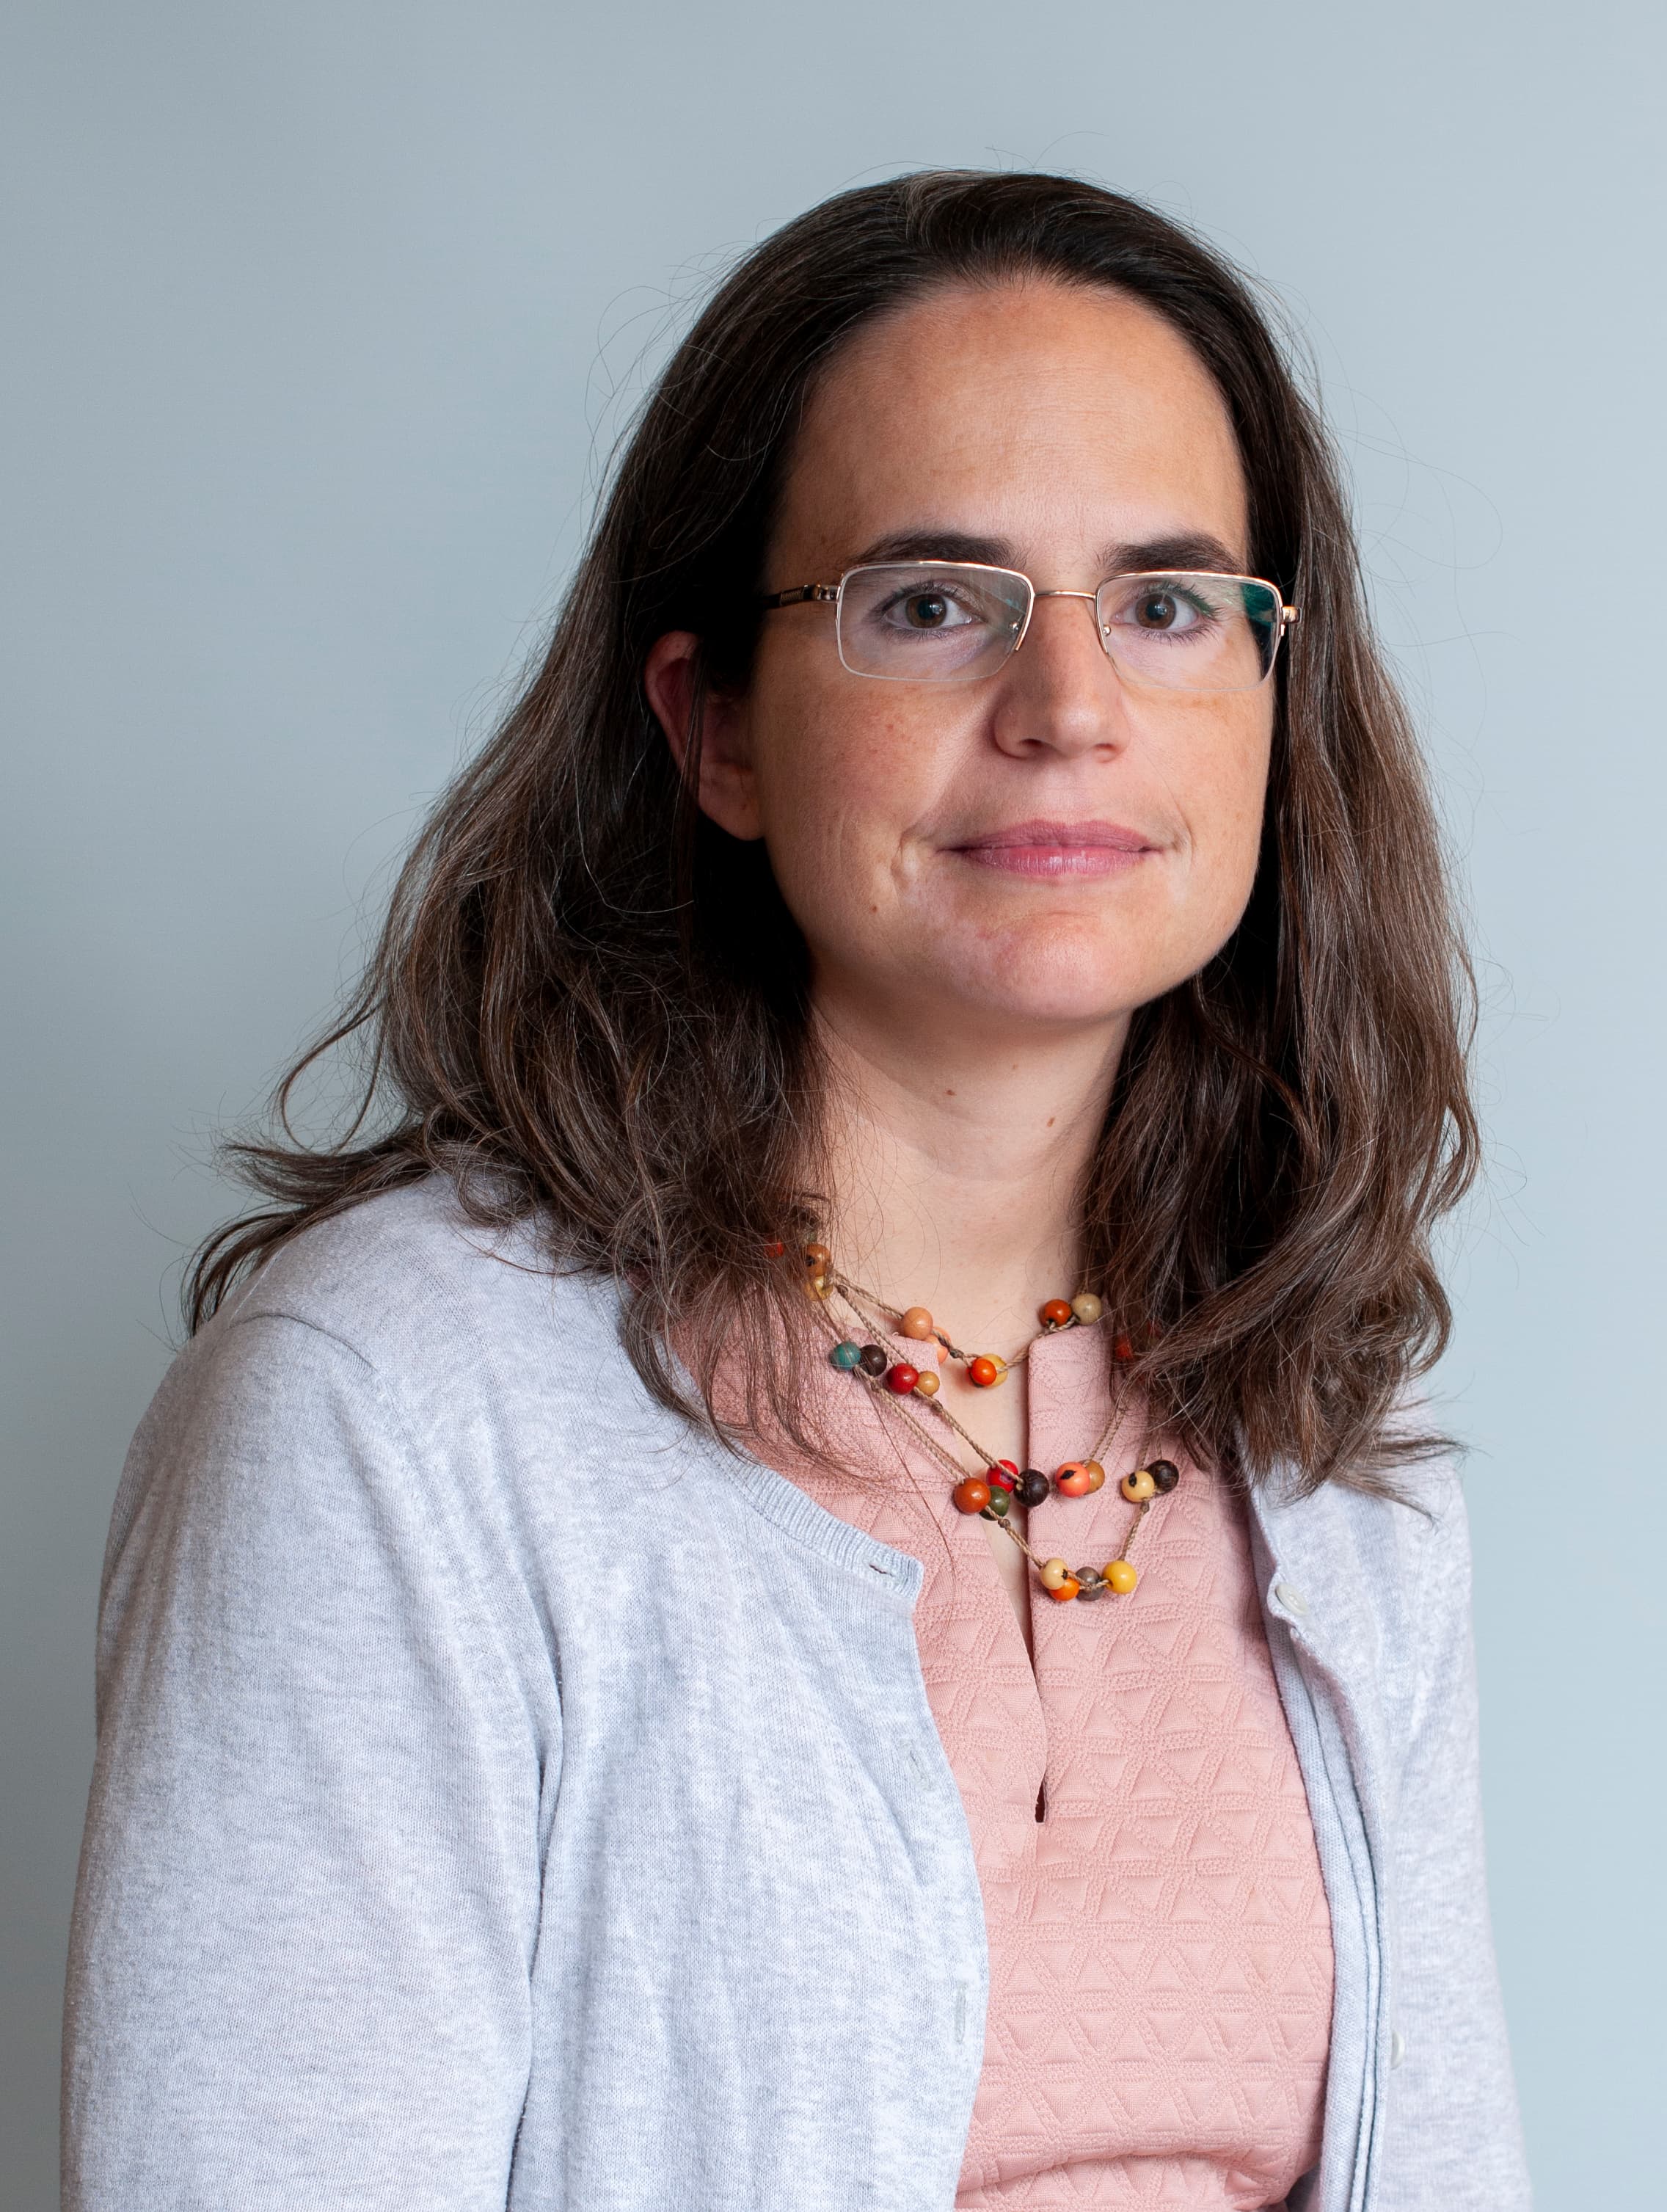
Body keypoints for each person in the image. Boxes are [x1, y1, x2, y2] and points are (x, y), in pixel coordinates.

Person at [62, 171, 1530, 2212]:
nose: (1071, 709)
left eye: (1170, 605)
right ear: (718, 731)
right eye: (930, 602)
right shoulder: (386, 1415)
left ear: (1275, 712)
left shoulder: (1332, 1451)